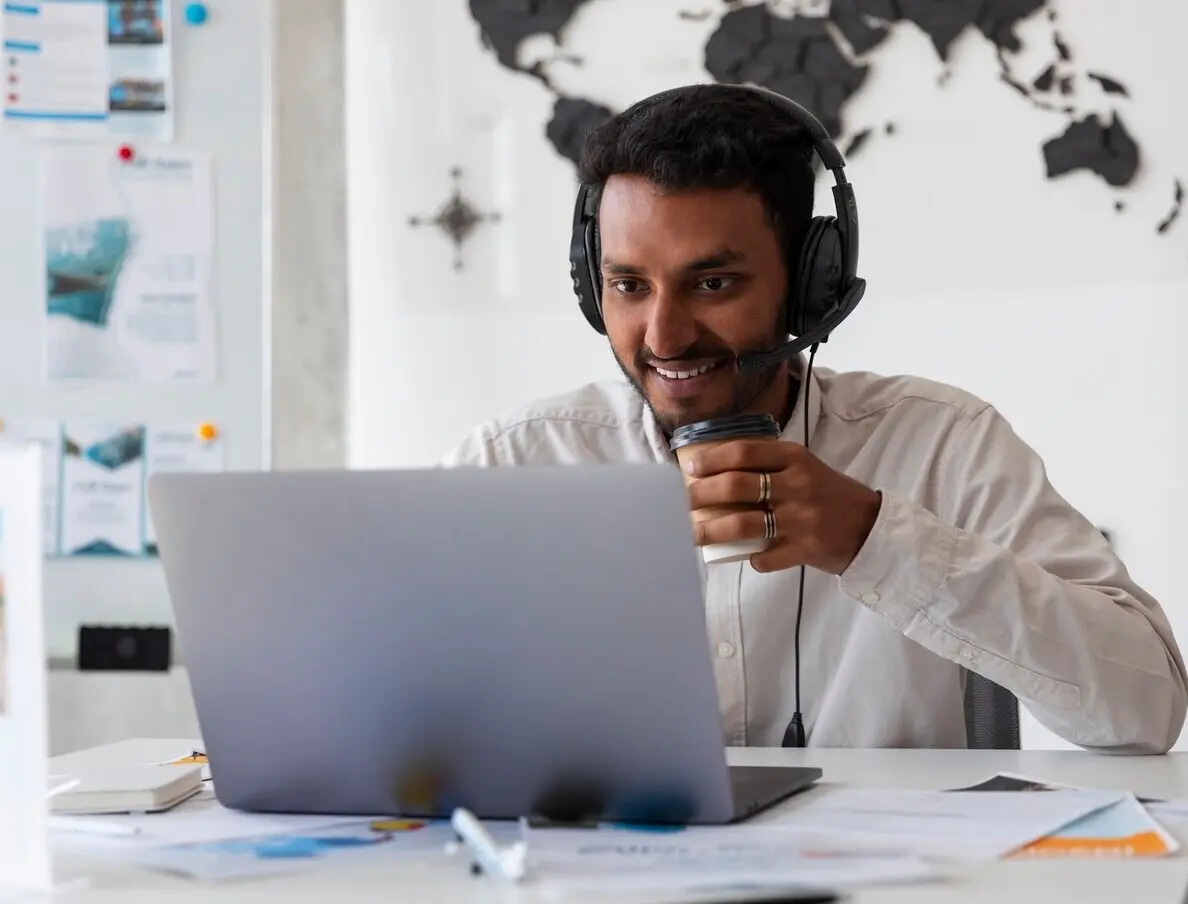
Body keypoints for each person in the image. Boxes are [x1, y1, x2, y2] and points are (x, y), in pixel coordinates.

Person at [442, 83, 1187, 753]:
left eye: (712, 282)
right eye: (629, 284)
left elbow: (1146, 709)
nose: (664, 336)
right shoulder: (514, 464)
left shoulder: (943, 444)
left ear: (810, 282)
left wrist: (875, 539)